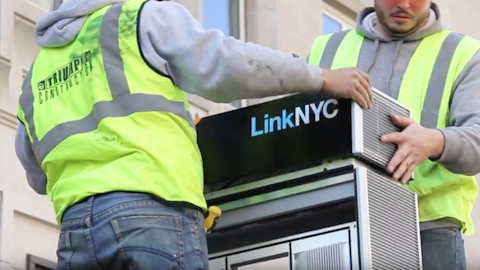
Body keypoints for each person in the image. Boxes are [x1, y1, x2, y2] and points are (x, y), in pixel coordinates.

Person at [14, 0, 373, 269]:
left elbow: (36, 173)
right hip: (152, 214)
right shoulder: (137, 17)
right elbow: (230, 63)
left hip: (76, 232)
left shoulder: (37, 72)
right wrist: (320, 78)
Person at [307, 0, 480, 269]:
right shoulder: (325, 48)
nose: (403, 3)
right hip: (335, 224)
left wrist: (436, 141)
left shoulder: (464, 53)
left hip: (427, 230)